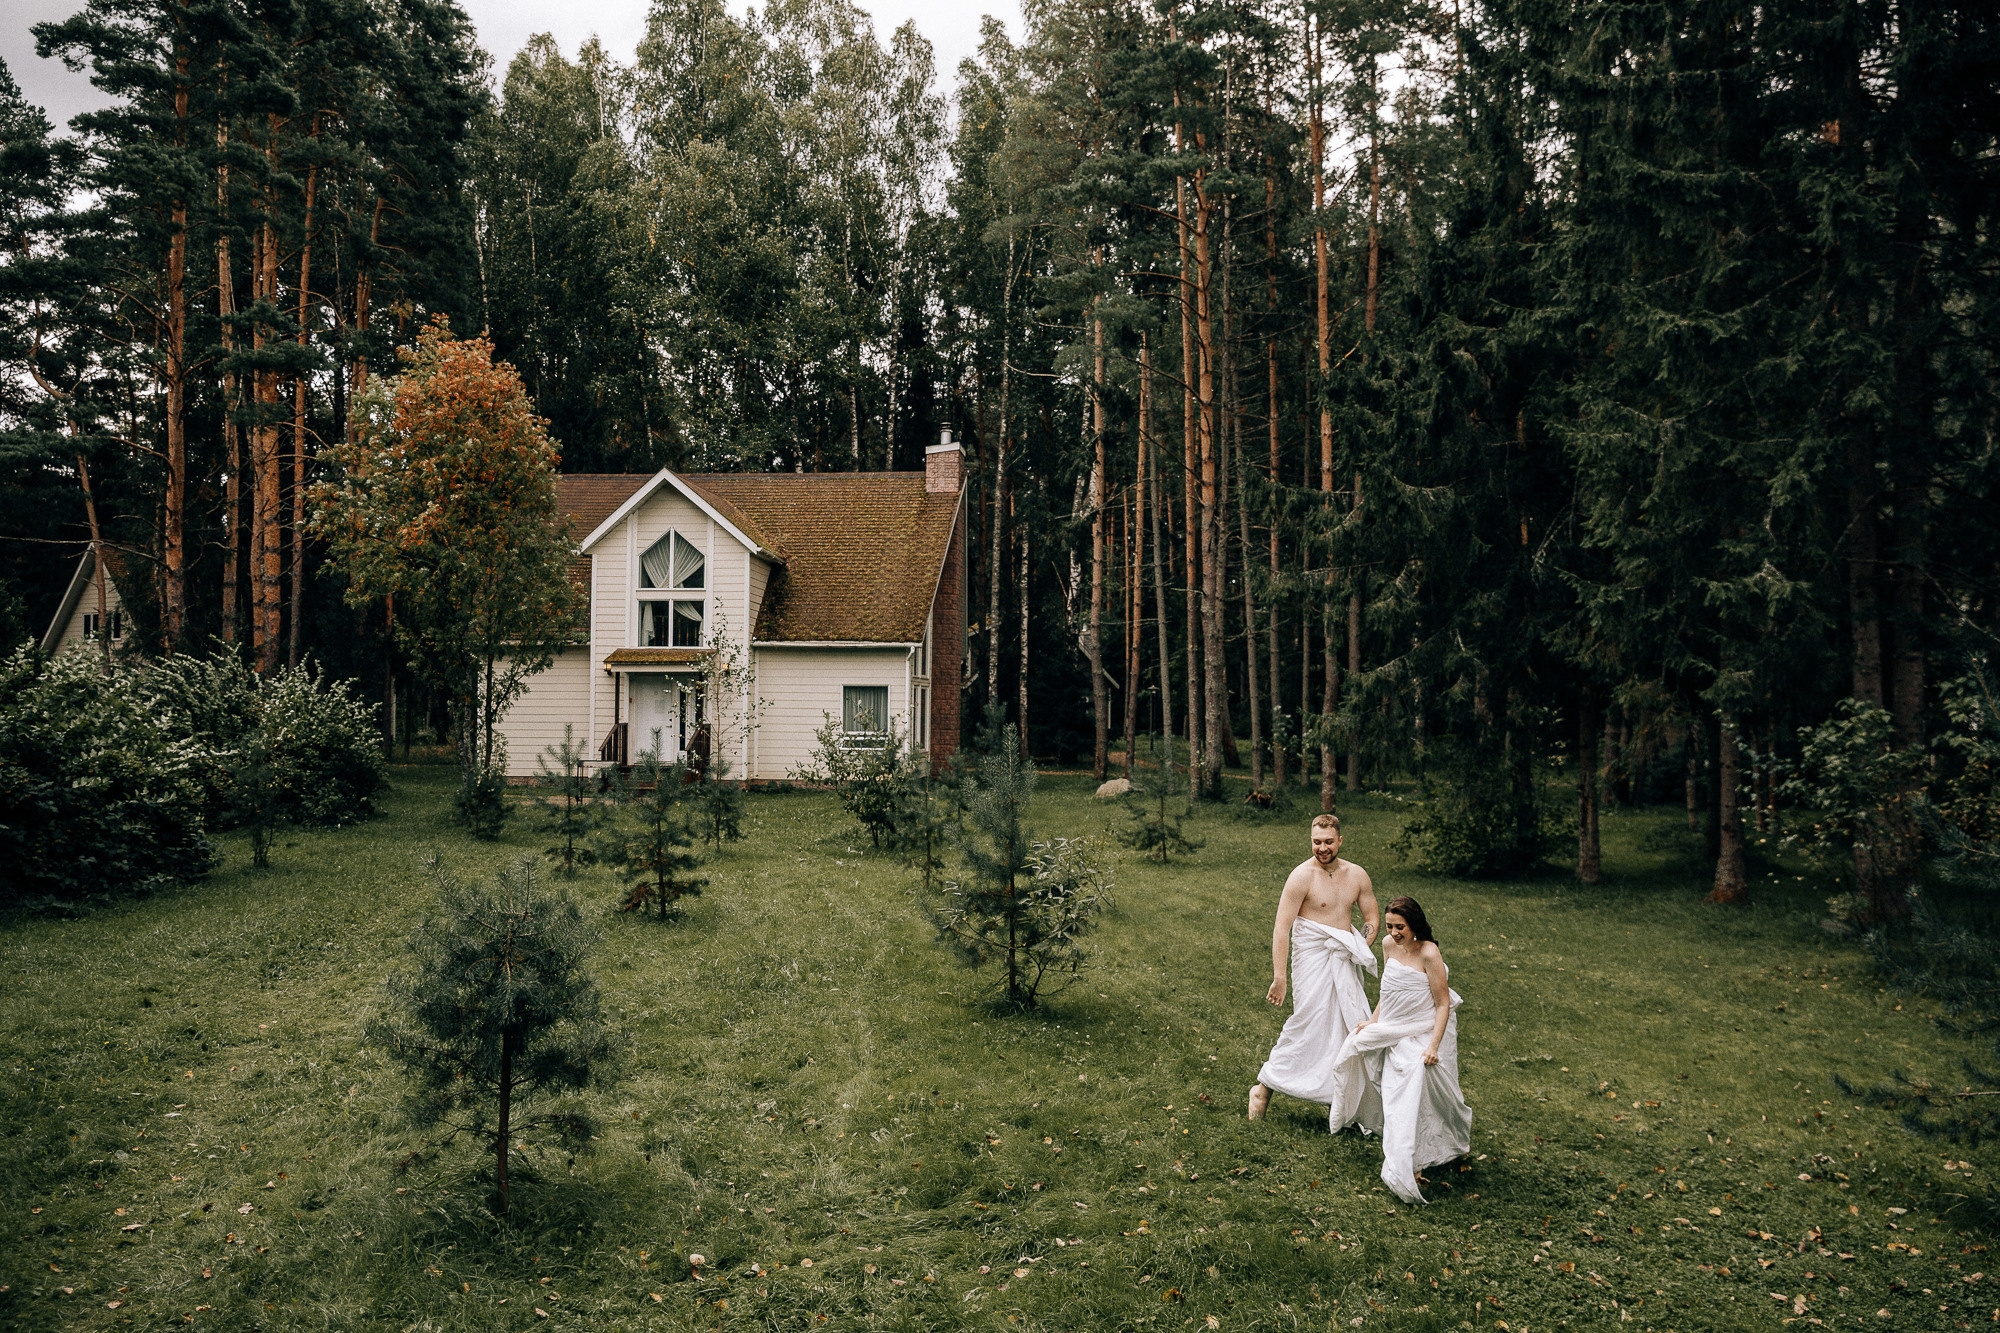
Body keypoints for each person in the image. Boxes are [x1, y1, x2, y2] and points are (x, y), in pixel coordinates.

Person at [1327, 895, 1472, 1204]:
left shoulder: (1429, 953)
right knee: (1353, 1046)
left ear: (1414, 924)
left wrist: (1433, 1046)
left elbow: (1443, 1003)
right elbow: (1388, 991)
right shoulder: (1389, 946)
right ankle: (1390, 1137)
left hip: (1424, 1028)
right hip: (1394, 1025)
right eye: (1390, 926)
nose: (1393, 933)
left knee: (1417, 1076)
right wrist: (1374, 1021)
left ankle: (1414, 1160)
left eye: (1400, 927)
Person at [1248, 814, 1381, 1122]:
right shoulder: (1301, 877)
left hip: (1342, 961)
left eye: (1328, 842)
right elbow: (1282, 928)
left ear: (1340, 841)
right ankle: (1263, 1088)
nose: (1322, 848)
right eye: (1316, 842)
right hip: (1311, 959)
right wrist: (1279, 977)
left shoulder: (1357, 875)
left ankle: (1341, 1099)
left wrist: (1358, 944)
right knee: (1307, 1023)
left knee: (1348, 1028)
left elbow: (1372, 917)